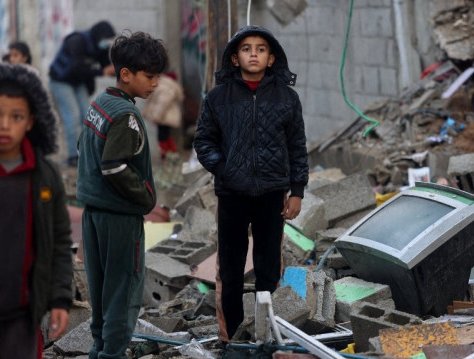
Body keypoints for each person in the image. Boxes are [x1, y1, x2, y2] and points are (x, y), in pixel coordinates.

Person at [193, 25, 309, 343]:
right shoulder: (218, 98)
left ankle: (264, 335)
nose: (254, 54)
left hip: (272, 194)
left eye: (261, 49)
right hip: (231, 195)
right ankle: (231, 336)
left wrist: (297, 191)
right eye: (247, 49)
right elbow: (204, 141)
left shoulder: (287, 98)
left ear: (271, 59)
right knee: (230, 271)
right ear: (235, 58)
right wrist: (224, 169)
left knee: (268, 268)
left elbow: (298, 146)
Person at [0, 63, 73, 358]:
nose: (5, 125)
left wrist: (59, 299)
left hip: (22, 315)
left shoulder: (43, 176)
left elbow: (59, 241)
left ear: (32, 121)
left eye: (16, 116)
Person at [76, 31, 168, 359]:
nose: (155, 84)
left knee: (101, 289)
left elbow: (82, 149)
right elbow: (113, 167)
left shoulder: (100, 103)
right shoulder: (127, 115)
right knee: (123, 292)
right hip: (119, 220)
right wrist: (145, 198)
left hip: (93, 214)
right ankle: (111, 353)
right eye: (150, 76)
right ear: (126, 75)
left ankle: (99, 349)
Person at [49, 20, 116, 167]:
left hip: (77, 82)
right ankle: (73, 156)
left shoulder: (100, 46)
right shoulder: (77, 41)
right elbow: (77, 67)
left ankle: (89, 153)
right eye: (105, 39)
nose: (106, 43)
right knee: (72, 116)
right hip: (61, 81)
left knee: (88, 116)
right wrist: (102, 71)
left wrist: (117, 71)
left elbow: (106, 65)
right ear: (98, 35)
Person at [141, 71, 184, 160]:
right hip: (167, 117)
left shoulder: (165, 86)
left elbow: (162, 103)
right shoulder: (171, 86)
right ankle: (172, 153)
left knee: (162, 136)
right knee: (166, 135)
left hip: (164, 117)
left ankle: (165, 155)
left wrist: (157, 117)